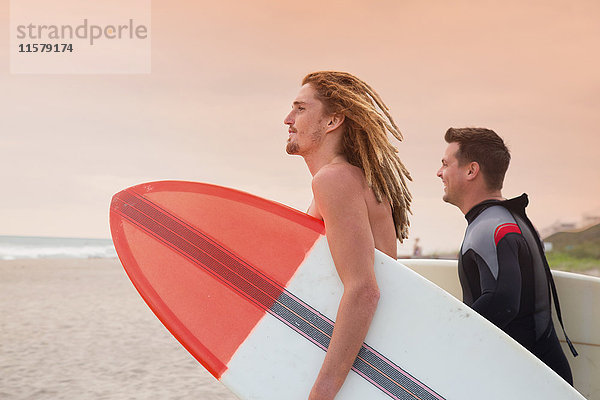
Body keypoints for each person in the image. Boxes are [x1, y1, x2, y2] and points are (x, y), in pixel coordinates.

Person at [284, 71, 412, 399]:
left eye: (300, 109)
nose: (288, 119)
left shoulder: (335, 180)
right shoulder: (350, 178)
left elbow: (363, 290)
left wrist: (321, 394)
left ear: (332, 121)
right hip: (370, 365)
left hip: (360, 373)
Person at [436, 127, 576, 384]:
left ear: (471, 170)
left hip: (528, 383)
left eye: (445, 164)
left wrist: (445, 342)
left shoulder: (492, 227)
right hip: (543, 378)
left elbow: (503, 301)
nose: (439, 172)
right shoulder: (510, 220)